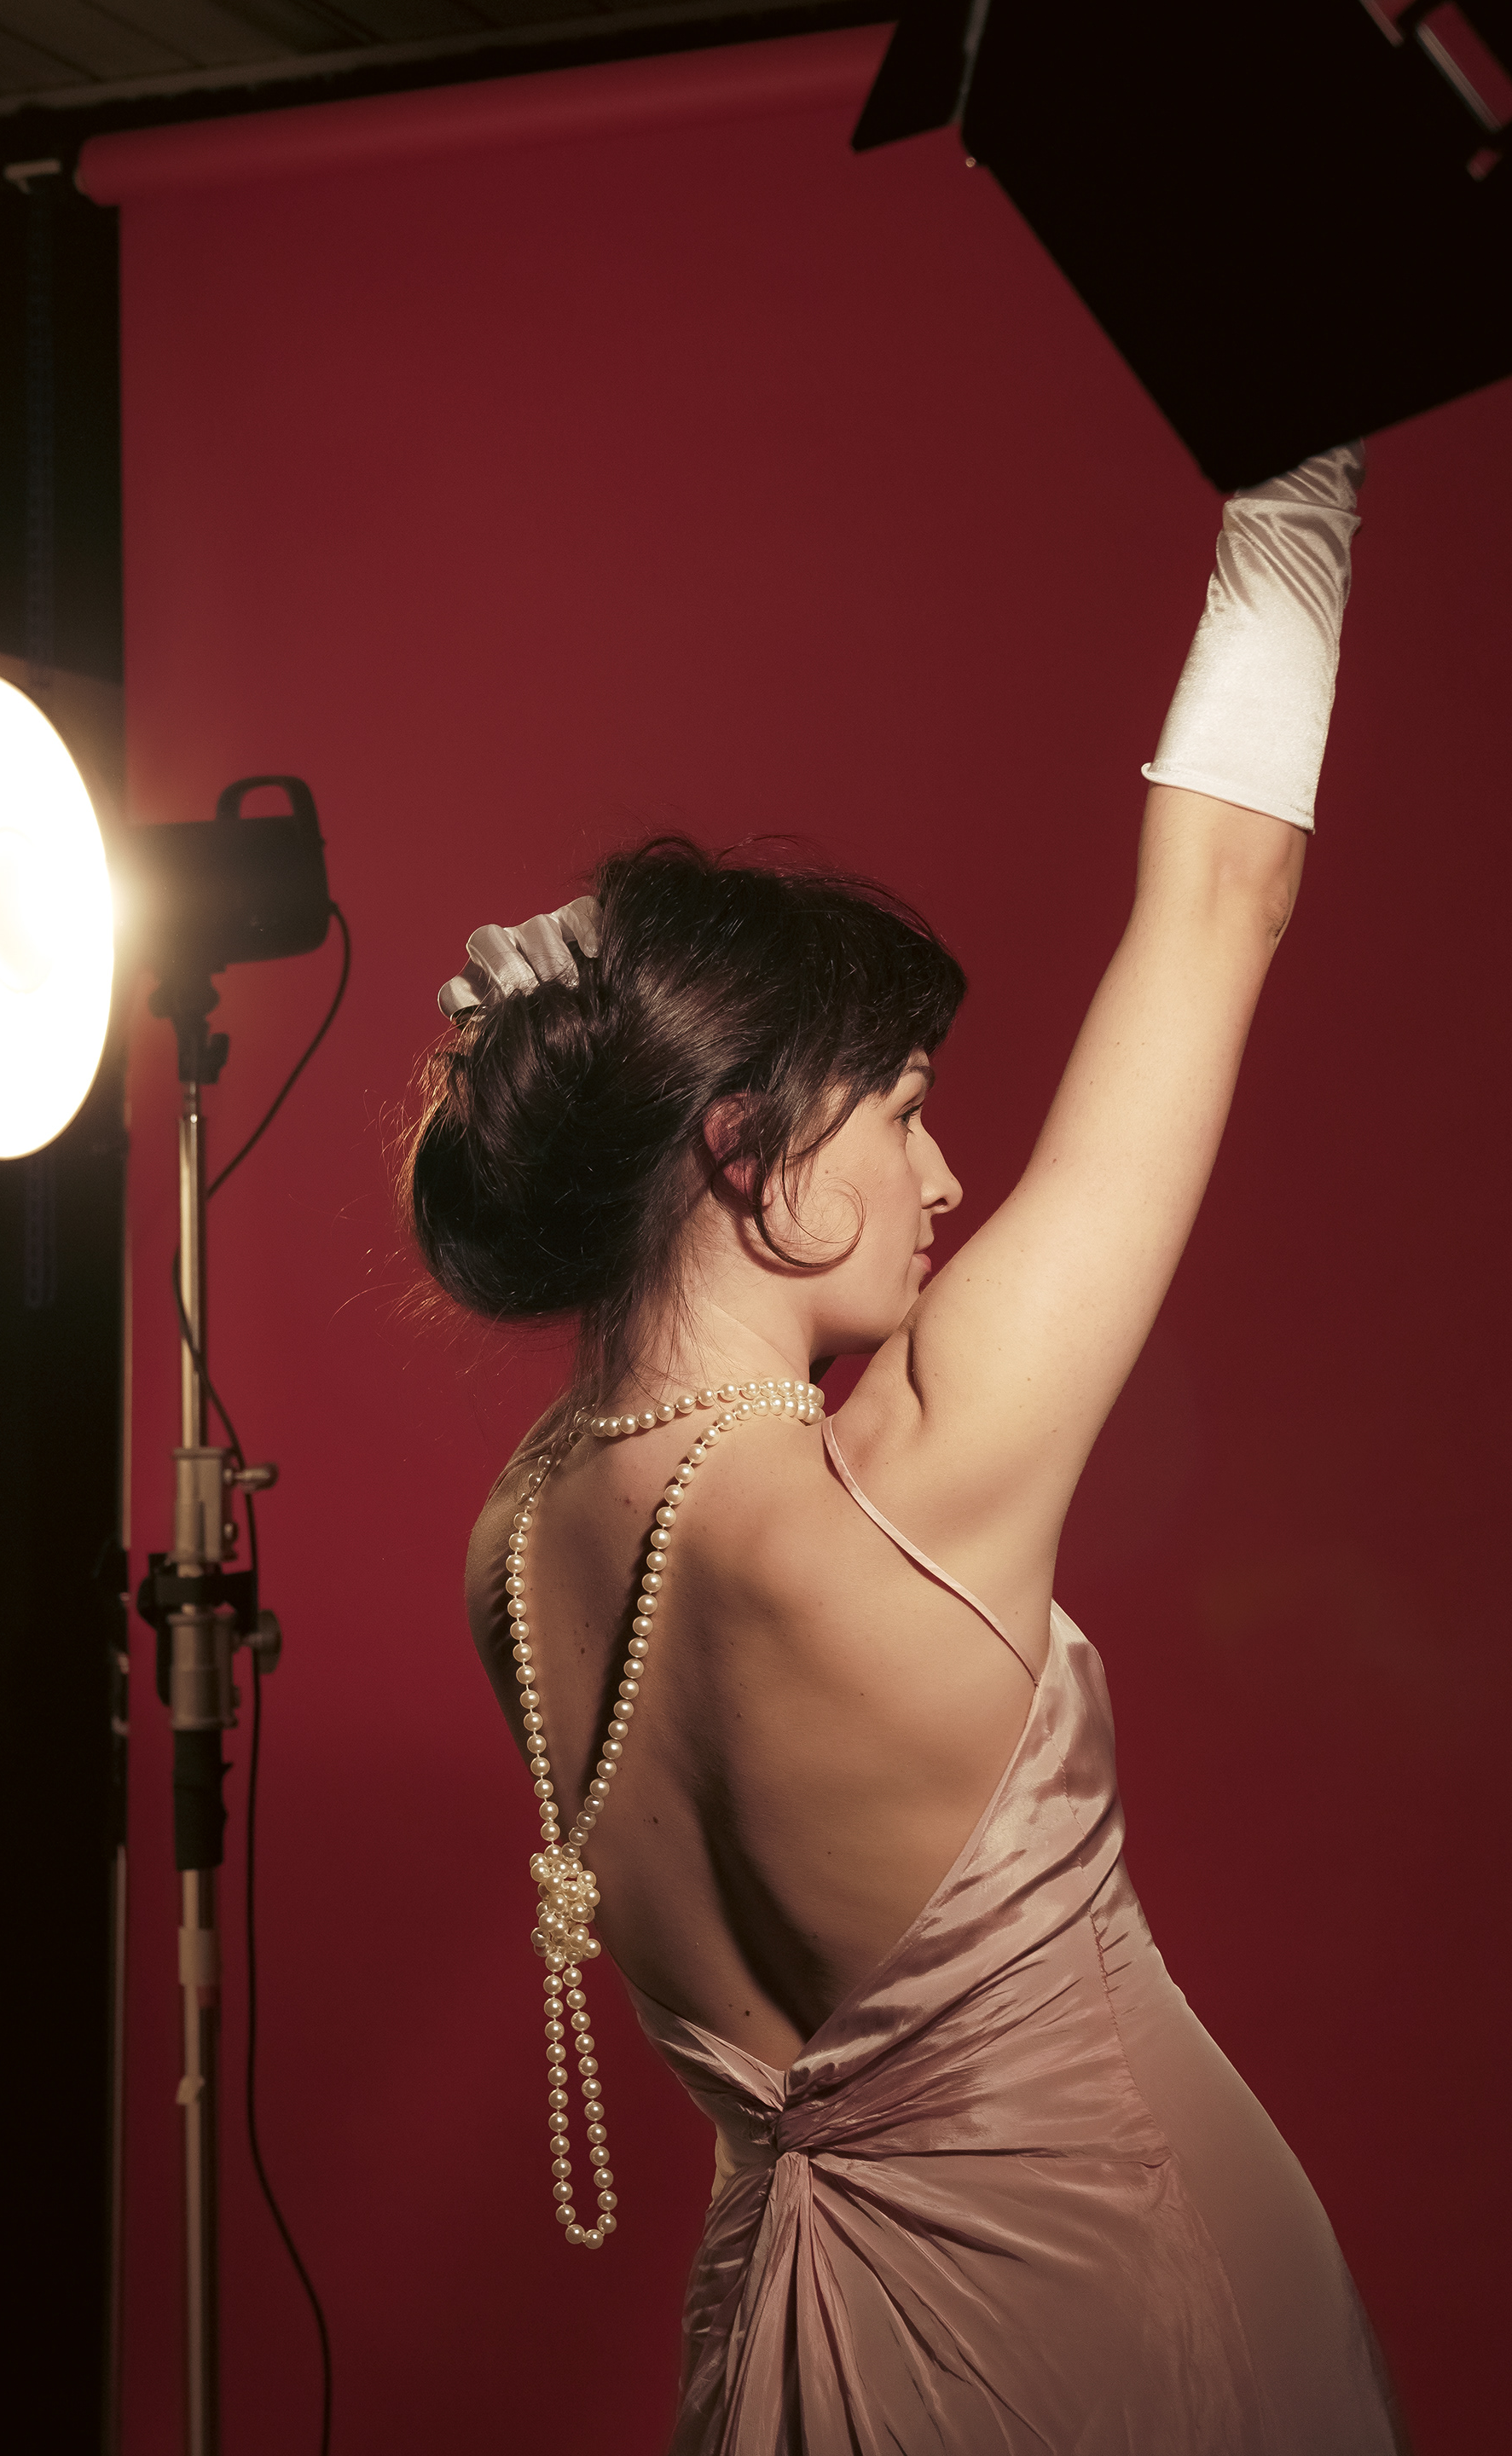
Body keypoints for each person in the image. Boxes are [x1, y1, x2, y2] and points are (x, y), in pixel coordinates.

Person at [408, 447, 1406, 2453]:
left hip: (797, 2364)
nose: (946, 1178)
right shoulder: (909, 1480)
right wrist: (1301, 482)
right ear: (746, 1147)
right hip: (1122, 2331)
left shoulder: (513, 1551)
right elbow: (1225, 896)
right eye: (906, 1108)